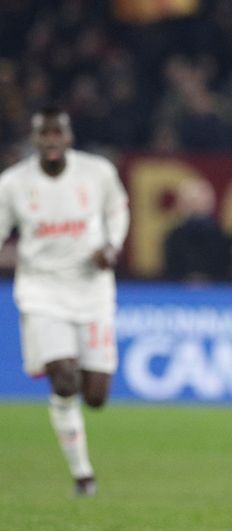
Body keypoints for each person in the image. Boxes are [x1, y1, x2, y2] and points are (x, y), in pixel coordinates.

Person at [0, 107, 130, 496]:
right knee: (64, 376)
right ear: (34, 138)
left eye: (58, 133)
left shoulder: (97, 173)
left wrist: (112, 246)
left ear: (69, 137)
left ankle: (78, 446)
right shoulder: (13, 183)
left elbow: (118, 211)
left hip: (92, 289)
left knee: (95, 396)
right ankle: (83, 475)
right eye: (44, 134)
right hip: (41, 290)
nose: (52, 140)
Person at [162, 177, 231, 283]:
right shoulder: (174, 237)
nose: (196, 207)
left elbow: (224, 268)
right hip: (180, 293)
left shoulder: (221, 237)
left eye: (200, 202)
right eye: (192, 202)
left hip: (217, 292)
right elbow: (172, 270)